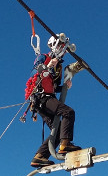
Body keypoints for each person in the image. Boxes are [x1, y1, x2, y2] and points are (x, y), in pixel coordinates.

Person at [28, 35, 82, 168]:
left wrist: (64, 86)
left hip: (45, 99)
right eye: (59, 46)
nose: (61, 49)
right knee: (68, 112)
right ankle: (65, 145)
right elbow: (35, 71)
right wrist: (46, 66)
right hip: (42, 98)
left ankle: (40, 156)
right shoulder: (44, 57)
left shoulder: (57, 68)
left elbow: (53, 86)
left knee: (57, 131)